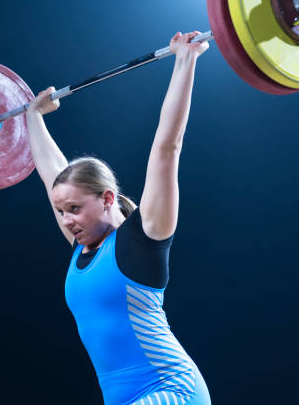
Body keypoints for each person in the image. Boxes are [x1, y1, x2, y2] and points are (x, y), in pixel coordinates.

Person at [25, 31, 211, 405]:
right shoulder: (80, 250)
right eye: (61, 211)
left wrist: (185, 59)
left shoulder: (142, 241)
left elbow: (166, 148)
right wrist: (32, 117)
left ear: (107, 198)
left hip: (172, 390)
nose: (65, 220)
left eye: (74, 209)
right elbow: (52, 173)